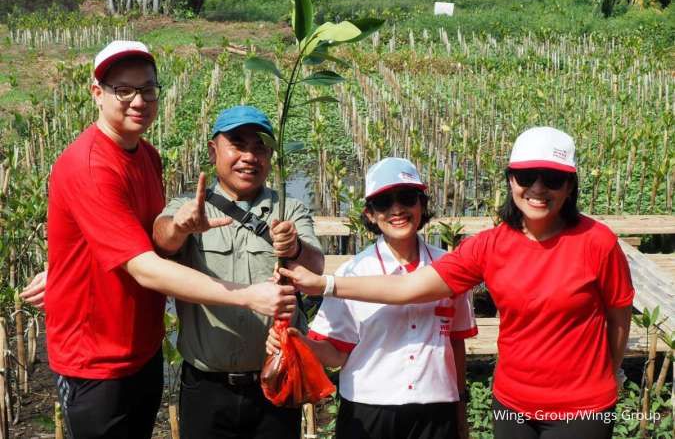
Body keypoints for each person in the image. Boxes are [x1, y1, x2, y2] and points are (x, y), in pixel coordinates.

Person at [279, 127, 634, 439]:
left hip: (579, 406)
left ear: (570, 185)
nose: (538, 189)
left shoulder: (597, 242)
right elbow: (406, 290)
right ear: (511, 180)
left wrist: (608, 373)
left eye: (553, 179)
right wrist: (324, 284)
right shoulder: (488, 246)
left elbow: (619, 318)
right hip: (511, 403)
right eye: (526, 177)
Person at [32, 41, 296, 439]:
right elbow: (143, 266)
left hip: (142, 348)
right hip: (95, 358)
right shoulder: (90, 164)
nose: (138, 100)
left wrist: (67, 263)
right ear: (97, 93)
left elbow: (125, 233)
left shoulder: (146, 155)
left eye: (148, 89)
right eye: (124, 90)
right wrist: (246, 295)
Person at [266, 157, 476, 439]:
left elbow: (455, 342)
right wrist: (300, 342)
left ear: (422, 204)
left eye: (407, 198)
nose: (397, 209)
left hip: (436, 411)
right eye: (384, 203)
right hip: (369, 412)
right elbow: (336, 353)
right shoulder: (352, 272)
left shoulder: (449, 267)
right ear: (369, 214)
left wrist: (460, 407)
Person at [152, 105, 325, 439]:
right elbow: (162, 240)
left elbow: (315, 268)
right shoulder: (190, 204)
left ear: (271, 155)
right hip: (206, 386)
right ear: (213, 150)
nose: (249, 156)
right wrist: (181, 226)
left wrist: (295, 248)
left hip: (275, 378)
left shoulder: (289, 208)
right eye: (237, 144)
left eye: (259, 146)